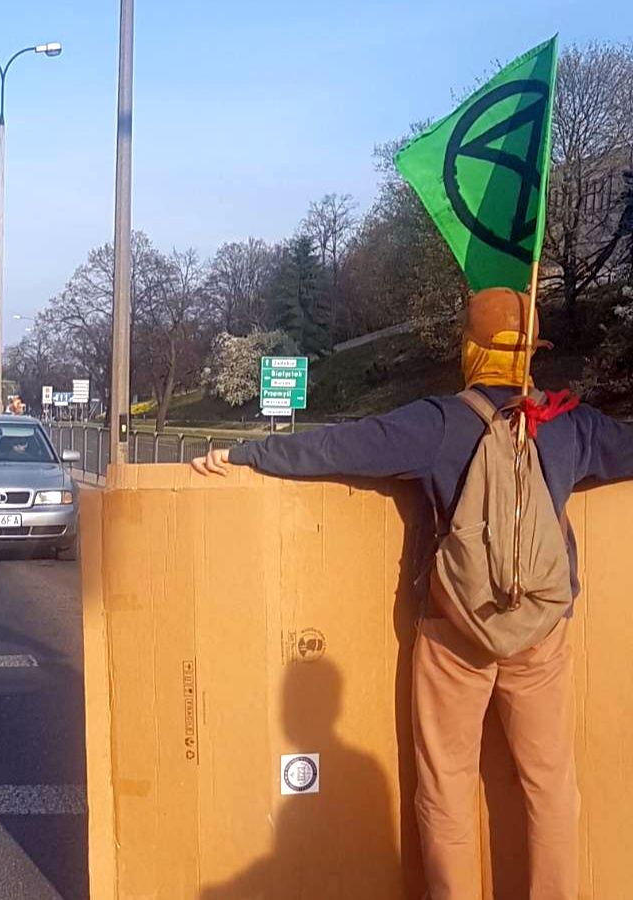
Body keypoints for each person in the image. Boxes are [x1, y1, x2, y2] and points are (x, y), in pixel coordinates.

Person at [192, 287, 633, 900]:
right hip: (541, 635)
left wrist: (246, 454)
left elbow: (334, 448)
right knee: (550, 784)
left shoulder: (436, 423)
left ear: (469, 350)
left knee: (447, 784)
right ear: (532, 351)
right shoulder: (570, 426)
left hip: (455, 631)